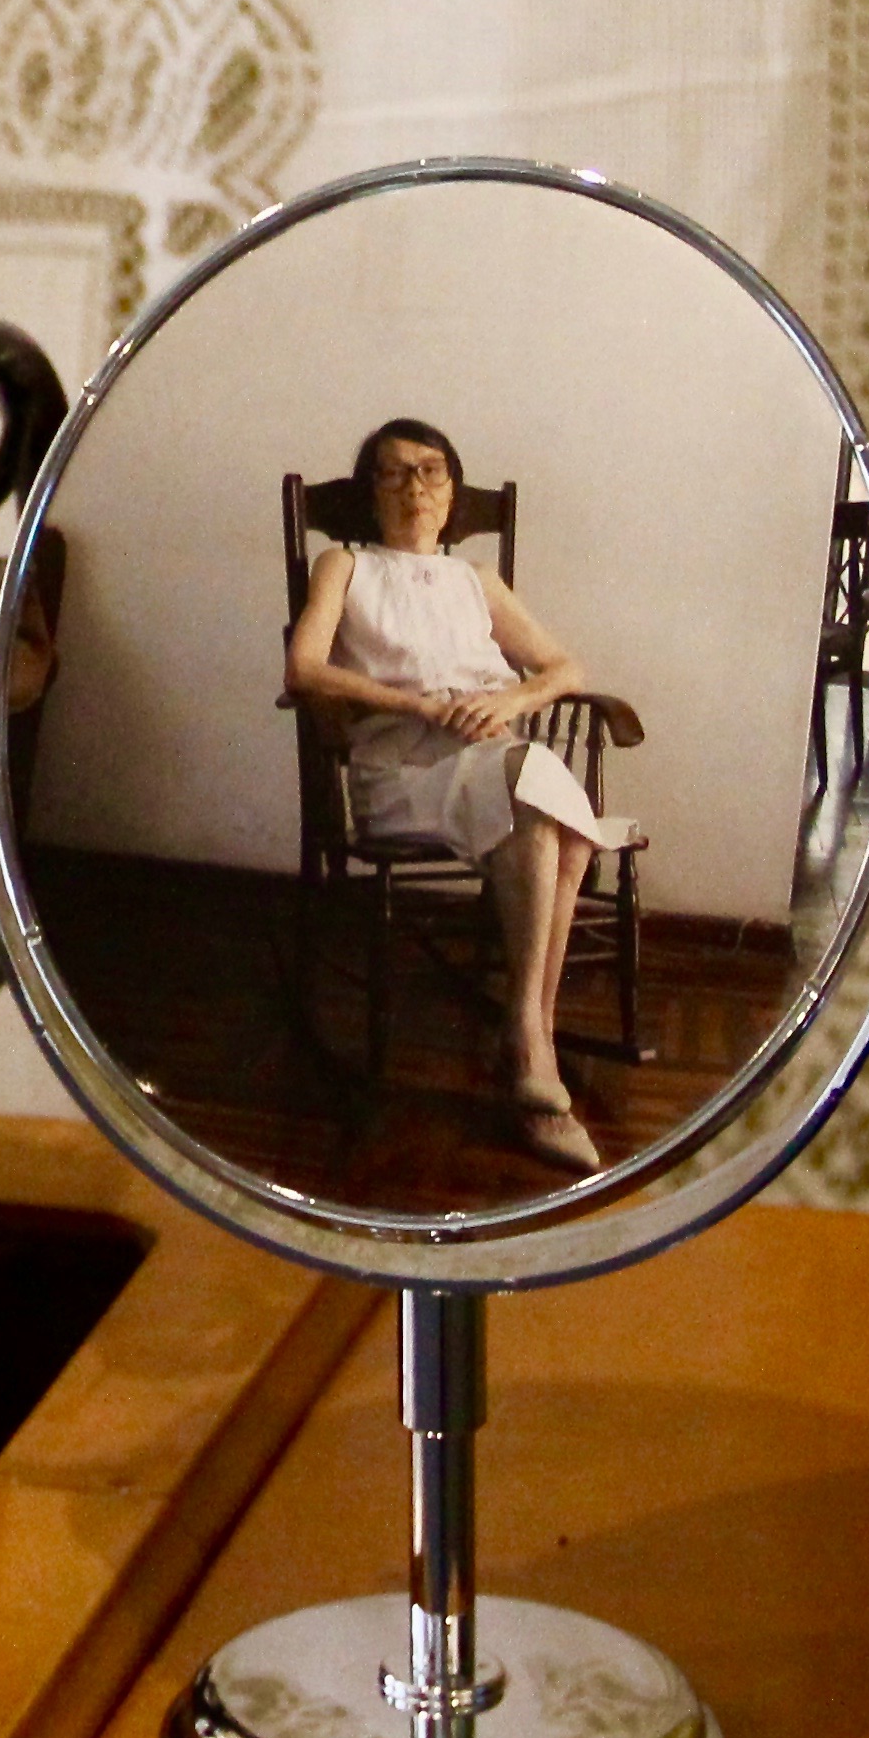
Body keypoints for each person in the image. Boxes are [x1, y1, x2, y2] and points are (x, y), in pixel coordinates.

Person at [284, 416, 634, 1173]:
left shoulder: (477, 580)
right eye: (393, 472)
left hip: (490, 756)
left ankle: (529, 1033)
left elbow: (565, 667)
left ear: (452, 494)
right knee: (542, 798)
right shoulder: (344, 564)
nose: (414, 486)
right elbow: (304, 669)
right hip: (400, 770)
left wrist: (509, 701)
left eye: (431, 471)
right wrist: (417, 705)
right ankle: (532, 1045)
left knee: (545, 810)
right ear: (370, 492)